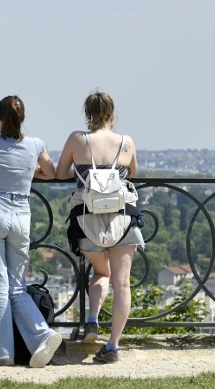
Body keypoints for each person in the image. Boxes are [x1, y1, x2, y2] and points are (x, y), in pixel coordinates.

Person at [55, 90, 143, 364]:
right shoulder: (126, 142)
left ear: (87, 113)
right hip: (123, 218)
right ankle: (112, 346)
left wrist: (84, 174)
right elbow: (134, 172)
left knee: (100, 271)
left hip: (87, 220)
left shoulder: (77, 139)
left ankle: (92, 319)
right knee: (122, 283)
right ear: (112, 114)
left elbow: (60, 173)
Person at [0, 96, 61, 368]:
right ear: (23, 117)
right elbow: (51, 172)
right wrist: (30, 170)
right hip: (21, 213)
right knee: (16, 285)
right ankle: (41, 334)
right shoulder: (36, 144)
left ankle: (2, 353)